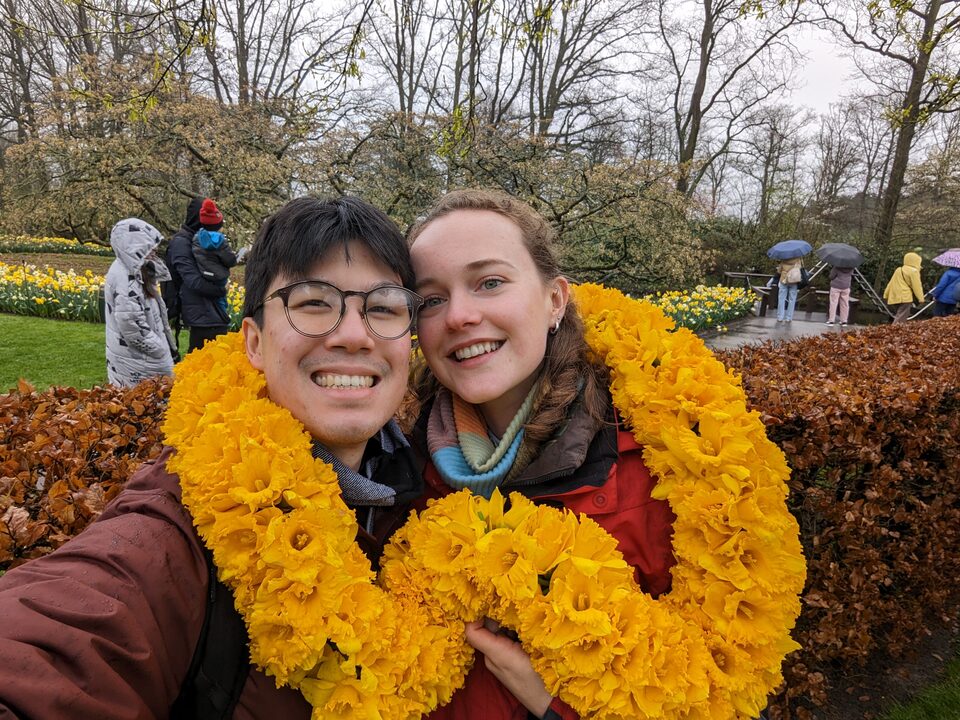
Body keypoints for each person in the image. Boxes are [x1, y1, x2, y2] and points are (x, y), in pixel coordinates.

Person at [0, 196, 424, 718]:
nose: (356, 335)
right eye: (314, 302)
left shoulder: (425, 486)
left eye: (383, 307)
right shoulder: (184, 521)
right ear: (252, 342)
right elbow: (64, 634)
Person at [406, 189, 676, 720]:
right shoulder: (394, 463)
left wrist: (556, 704)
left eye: (490, 282)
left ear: (555, 300)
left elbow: (714, 687)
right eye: (430, 299)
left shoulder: (662, 464)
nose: (459, 316)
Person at [104, 217, 177, 387]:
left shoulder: (134, 270)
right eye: (148, 245)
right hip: (140, 361)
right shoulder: (126, 279)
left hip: (138, 358)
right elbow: (133, 328)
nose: (155, 249)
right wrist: (161, 351)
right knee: (146, 404)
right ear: (132, 245)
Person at [167, 196, 232, 353]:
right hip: (202, 314)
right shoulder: (181, 243)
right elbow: (193, 281)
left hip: (208, 311)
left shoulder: (198, 240)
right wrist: (221, 289)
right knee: (204, 362)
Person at [192, 198, 238, 319]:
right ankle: (224, 320)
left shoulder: (197, 238)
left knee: (212, 303)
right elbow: (230, 261)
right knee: (221, 302)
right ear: (219, 224)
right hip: (219, 277)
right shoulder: (221, 241)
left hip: (204, 275)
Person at [883, 252, 925, 323]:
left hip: (894, 296)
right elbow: (917, 287)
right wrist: (921, 298)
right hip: (905, 297)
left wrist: (886, 294)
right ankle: (894, 331)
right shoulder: (914, 271)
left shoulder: (899, 269)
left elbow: (891, 283)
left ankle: (896, 330)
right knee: (901, 317)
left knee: (898, 315)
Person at [775, 256, 803, 323]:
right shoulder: (798, 259)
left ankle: (780, 317)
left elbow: (779, 271)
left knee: (781, 299)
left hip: (784, 280)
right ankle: (788, 318)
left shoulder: (784, 259)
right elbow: (800, 268)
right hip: (794, 280)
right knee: (792, 300)